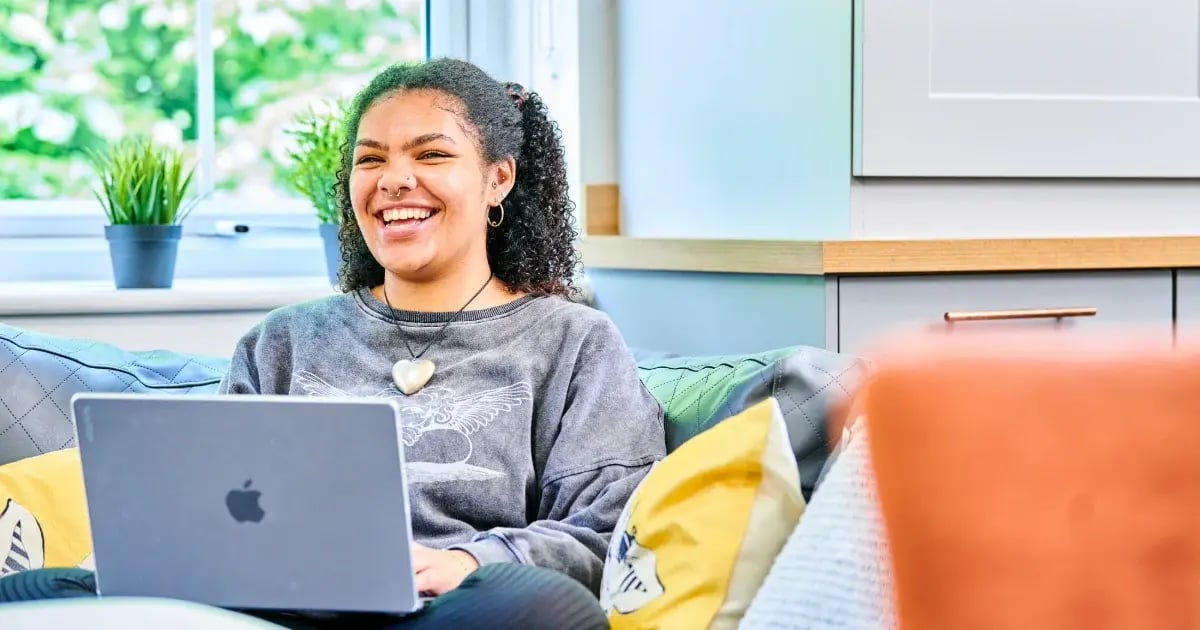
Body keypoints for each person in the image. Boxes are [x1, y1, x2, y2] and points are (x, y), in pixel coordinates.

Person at [0, 58, 665, 630]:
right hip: (264, 613)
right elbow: (216, 510)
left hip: (446, 612)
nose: (393, 180)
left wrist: (468, 561)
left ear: (499, 179)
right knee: (33, 595)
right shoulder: (280, 342)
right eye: (370, 160)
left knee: (536, 606)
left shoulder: (573, 341)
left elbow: (607, 533)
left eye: (431, 154)